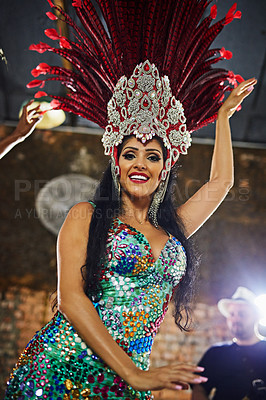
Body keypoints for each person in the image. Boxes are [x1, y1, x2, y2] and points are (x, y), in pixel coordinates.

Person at [4, 1, 256, 399]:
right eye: (130, 154)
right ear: (116, 162)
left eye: (152, 156)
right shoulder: (84, 216)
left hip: (128, 376)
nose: (140, 164)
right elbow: (70, 299)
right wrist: (135, 376)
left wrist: (223, 118)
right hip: (61, 367)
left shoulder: (173, 229)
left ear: (165, 168)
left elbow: (222, 181)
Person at [191, 287, 266, 400]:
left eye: (242, 314)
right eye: (232, 314)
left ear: (256, 316)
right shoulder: (215, 353)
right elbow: (199, 388)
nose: (235, 319)